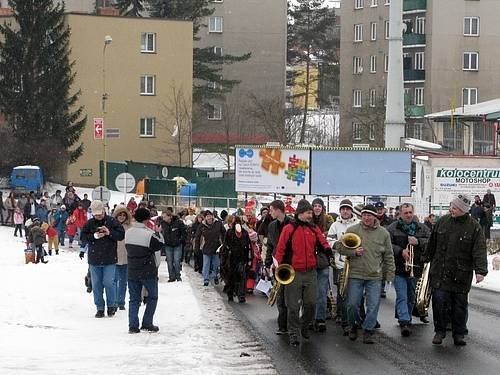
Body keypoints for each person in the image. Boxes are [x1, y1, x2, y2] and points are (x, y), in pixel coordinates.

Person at [425, 194, 488, 346]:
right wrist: (425, 258)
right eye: (451, 207)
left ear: (464, 210)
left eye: (455, 208)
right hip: (441, 271)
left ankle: (458, 334)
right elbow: (432, 243)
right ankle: (439, 332)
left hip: (461, 273)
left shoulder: (474, 227)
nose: (451, 210)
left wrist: (480, 270)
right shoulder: (442, 222)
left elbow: (479, 249)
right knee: (439, 302)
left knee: (459, 306)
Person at [274, 199, 332, 346]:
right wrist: (276, 265)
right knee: (293, 306)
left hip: (311, 272)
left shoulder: (313, 228)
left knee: (311, 303)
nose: (310, 215)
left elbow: (323, 242)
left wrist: (327, 250)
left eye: (311, 212)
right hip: (294, 272)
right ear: (300, 213)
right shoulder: (289, 228)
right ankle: (293, 332)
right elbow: (280, 249)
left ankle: (305, 325)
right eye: (308, 212)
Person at [339, 204, 395, 344]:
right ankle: (353, 325)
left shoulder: (383, 233)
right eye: (364, 215)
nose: (366, 218)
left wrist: (389, 276)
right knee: (352, 305)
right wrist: (353, 252)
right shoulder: (352, 230)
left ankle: (368, 330)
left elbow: (389, 255)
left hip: (374, 276)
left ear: (375, 217)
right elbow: (340, 247)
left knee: (373, 305)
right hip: (355, 274)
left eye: (369, 215)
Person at [387, 203, 431, 336]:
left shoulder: (422, 228)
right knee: (402, 295)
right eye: (405, 213)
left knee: (411, 296)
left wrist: (418, 242)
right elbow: (387, 245)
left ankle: (407, 317)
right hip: (399, 267)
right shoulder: (392, 228)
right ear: (400, 214)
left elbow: (431, 242)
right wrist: (400, 251)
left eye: (410, 212)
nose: (408, 215)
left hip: (416, 267)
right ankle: (404, 321)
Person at [80, 200, 125, 318]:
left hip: (109, 258)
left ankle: (111, 306)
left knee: (109, 283)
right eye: (96, 215)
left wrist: (109, 233)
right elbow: (83, 237)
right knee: (96, 285)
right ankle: (99, 307)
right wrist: (94, 236)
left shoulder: (112, 221)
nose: (98, 217)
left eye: (100, 214)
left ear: (104, 211)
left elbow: (121, 235)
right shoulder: (89, 223)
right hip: (94, 259)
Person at [125, 207, 165, 333]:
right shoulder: (149, 234)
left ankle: (133, 325)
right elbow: (159, 245)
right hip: (148, 271)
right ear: (147, 219)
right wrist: (158, 233)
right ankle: (147, 322)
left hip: (132, 270)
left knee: (134, 299)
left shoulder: (128, 232)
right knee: (152, 297)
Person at [327, 199, 359, 335]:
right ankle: (342, 316)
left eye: (347, 209)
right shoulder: (335, 225)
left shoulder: (358, 224)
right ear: (340, 211)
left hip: (356, 263)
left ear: (351, 210)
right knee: (342, 291)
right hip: (340, 263)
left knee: (355, 293)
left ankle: (353, 317)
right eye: (343, 209)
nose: (345, 211)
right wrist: (339, 245)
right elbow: (329, 241)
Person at [264, 200, 294, 335]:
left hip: (291, 264)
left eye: (271, 210)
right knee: (280, 296)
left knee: (291, 297)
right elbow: (270, 246)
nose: (270, 213)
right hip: (278, 265)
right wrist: (267, 263)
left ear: (278, 210)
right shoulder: (271, 226)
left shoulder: (292, 223)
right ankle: (282, 325)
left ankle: (292, 324)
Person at [311, 197, 333, 333]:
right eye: (315, 206)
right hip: (309, 260)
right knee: (308, 292)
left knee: (322, 291)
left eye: (319, 206)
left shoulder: (329, 222)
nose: (317, 208)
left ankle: (320, 318)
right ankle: (308, 317)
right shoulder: (307, 220)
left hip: (323, 260)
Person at [221, 216, 252, 303]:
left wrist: (248, 259)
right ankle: (231, 293)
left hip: (241, 259)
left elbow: (248, 247)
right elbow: (225, 246)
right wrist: (225, 257)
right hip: (231, 259)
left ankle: (241, 295)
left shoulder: (245, 233)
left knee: (242, 276)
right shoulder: (229, 232)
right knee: (231, 277)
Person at [195, 210, 226, 286]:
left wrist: (223, 243)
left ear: (212, 216)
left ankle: (215, 276)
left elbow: (224, 233)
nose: (209, 218)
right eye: (207, 216)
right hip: (206, 248)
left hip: (216, 247)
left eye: (210, 216)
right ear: (205, 218)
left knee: (216, 264)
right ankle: (206, 279)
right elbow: (198, 237)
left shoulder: (218, 223)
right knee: (206, 265)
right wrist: (197, 248)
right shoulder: (202, 226)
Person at [113, 205, 132, 310]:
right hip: (113, 257)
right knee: (114, 280)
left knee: (124, 281)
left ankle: (121, 301)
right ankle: (115, 301)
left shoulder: (130, 227)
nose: (121, 217)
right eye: (119, 214)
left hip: (126, 257)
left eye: (123, 215)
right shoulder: (112, 225)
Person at [374, 201, 394, 298]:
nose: (379, 211)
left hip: (385, 245)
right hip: (374, 245)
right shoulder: (371, 219)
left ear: (384, 210)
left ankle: (382, 288)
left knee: (384, 267)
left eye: (381, 209)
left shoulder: (389, 221)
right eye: (377, 209)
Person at [161, 210, 187, 282]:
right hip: (168, 245)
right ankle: (171, 277)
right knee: (169, 262)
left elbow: (184, 233)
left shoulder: (178, 222)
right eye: (163, 217)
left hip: (177, 245)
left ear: (170, 216)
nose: (163, 218)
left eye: (165, 217)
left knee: (176, 261)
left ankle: (178, 276)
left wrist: (180, 240)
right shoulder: (163, 223)